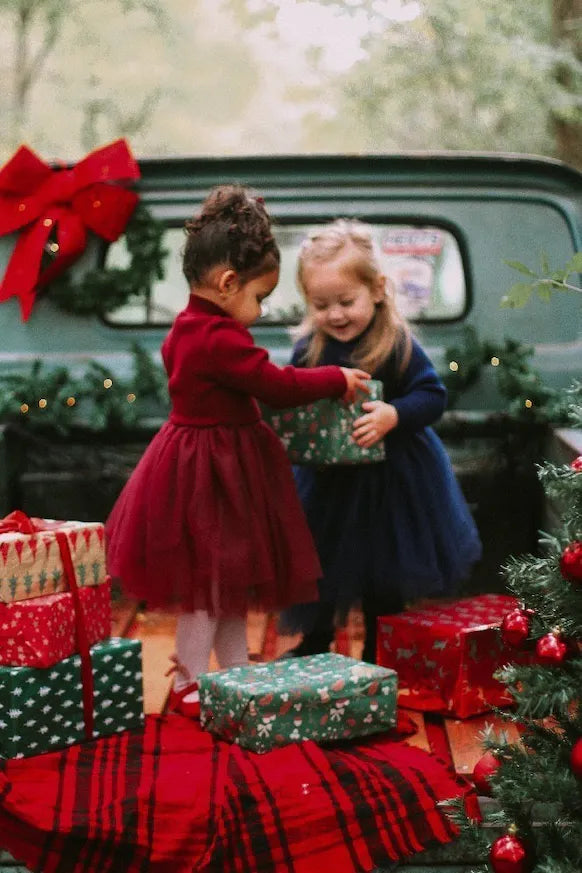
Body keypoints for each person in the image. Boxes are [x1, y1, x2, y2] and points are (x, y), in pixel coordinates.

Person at [105, 188, 370, 716]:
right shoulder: (219, 338)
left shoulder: (187, 327)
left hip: (200, 459)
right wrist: (334, 378)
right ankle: (189, 682)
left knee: (222, 585)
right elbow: (275, 385)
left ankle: (234, 675)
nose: (260, 309)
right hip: (215, 471)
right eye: (259, 297)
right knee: (209, 589)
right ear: (228, 284)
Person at [280, 219, 482, 663]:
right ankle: (314, 642)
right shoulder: (310, 350)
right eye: (321, 304)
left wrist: (394, 414)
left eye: (346, 301)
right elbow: (293, 397)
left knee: (383, 573)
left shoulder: (395, 344)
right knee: (320, 565)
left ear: (376, 290)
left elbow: (432, 395)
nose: (335, 315)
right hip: (329, 483)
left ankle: (380, 650)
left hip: (392, 482)